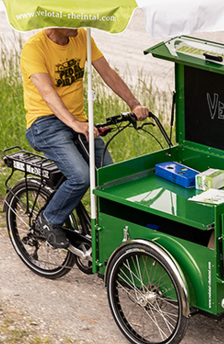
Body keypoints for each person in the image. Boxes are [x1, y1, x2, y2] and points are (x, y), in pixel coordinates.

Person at [21, 27, 149, 249]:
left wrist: (134, 103)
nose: (78, 22)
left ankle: (111, 235)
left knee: (110, 177)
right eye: (71, 17)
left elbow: (107, 72)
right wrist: (75, 124)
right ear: (55, 19)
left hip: (78, 122)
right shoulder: (34, 48)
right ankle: (48, 220)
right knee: (81, 176)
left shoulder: (82, 37)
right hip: (45, 124)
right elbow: (47, 92)